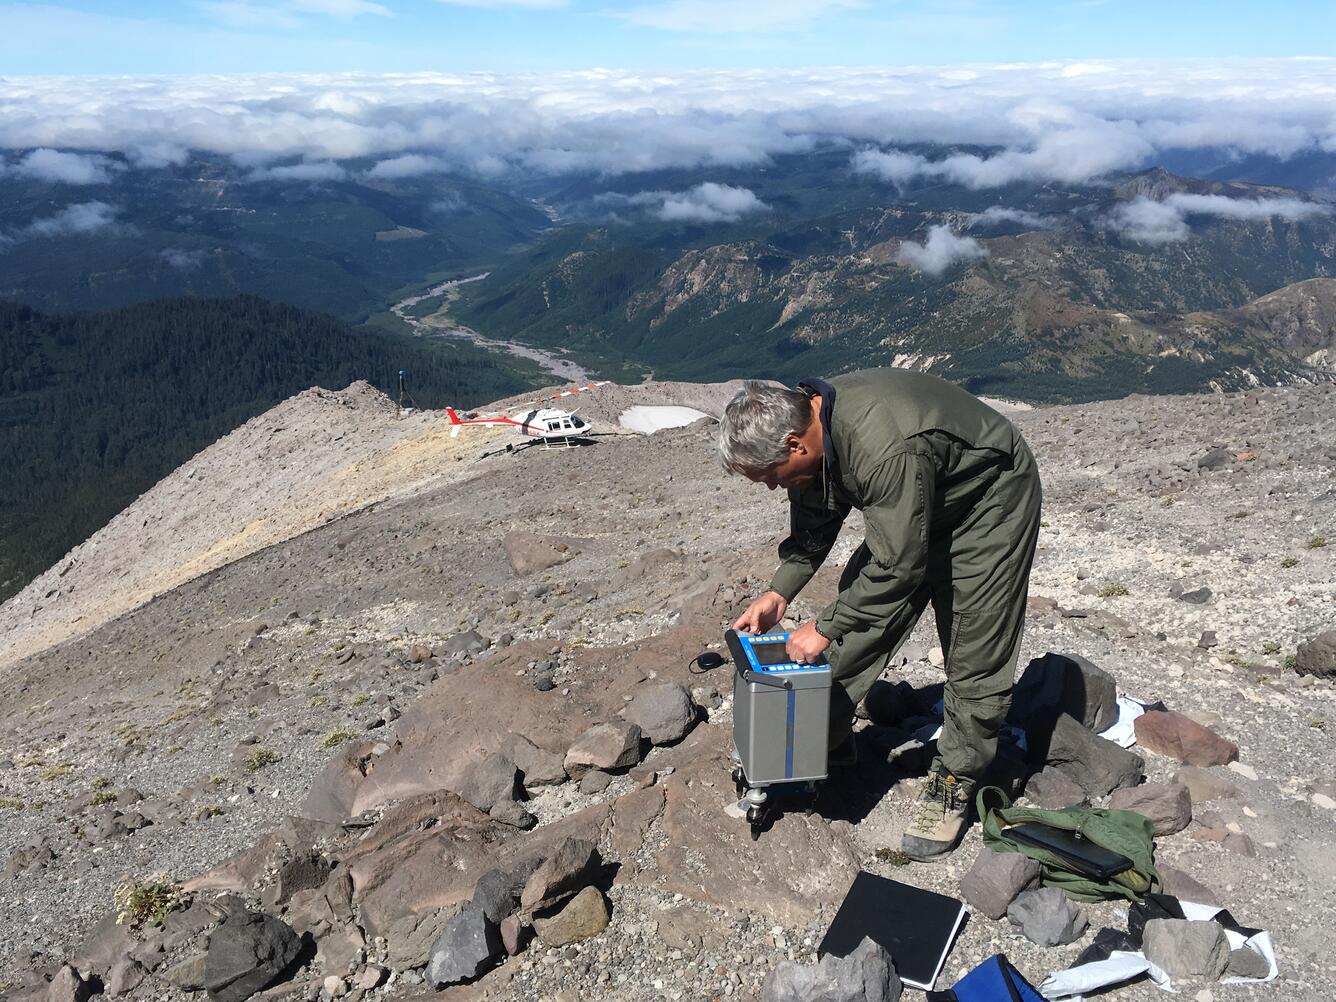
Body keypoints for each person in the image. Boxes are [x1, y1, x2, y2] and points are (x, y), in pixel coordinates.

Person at [719, 370, 1042, 861]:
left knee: (975, 648)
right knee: (857, 621)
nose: (769, 488)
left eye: (768, 477)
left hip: (986, 504)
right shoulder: (810, 432)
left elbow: (898, 567)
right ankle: (817, 738)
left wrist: (824, 627)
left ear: (793, 446)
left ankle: (955, 779)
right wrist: (778, 593)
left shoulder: (882, 445)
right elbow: (816, 525)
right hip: (914, 505)